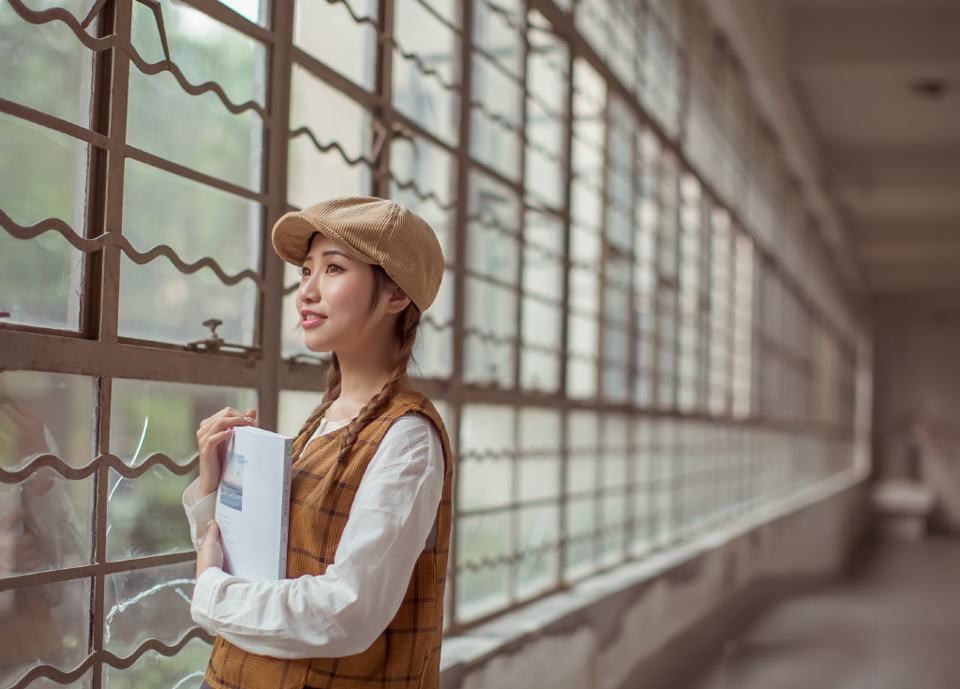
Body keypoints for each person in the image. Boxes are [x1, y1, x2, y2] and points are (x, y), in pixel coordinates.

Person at [181, 197, 453, 689]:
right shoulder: (322, 420)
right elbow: (259, 563)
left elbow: (347, 612)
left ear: (396, 295)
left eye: (333, 268)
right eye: (306, 270)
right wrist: (214, 484)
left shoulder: (409, 439)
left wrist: (212, 593)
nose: (306, 290)